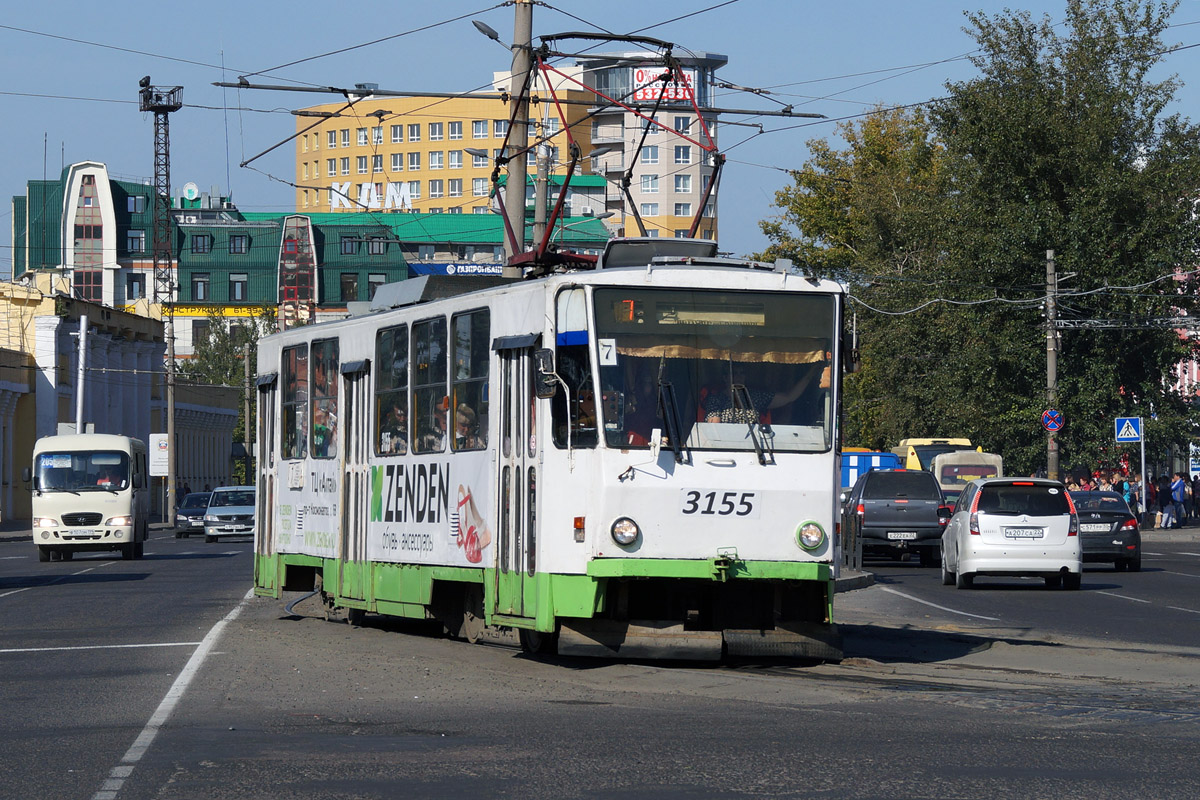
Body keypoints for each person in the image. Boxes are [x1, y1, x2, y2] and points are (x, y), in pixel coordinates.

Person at [702, 360, 823, 424]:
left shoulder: (754, 397)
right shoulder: (716, 399)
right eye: (734, 373)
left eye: (741, 373)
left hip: (755, 449)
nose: (738, 377)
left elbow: (789, 397)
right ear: (725, 377)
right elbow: (715, 431)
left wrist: (811, 373)